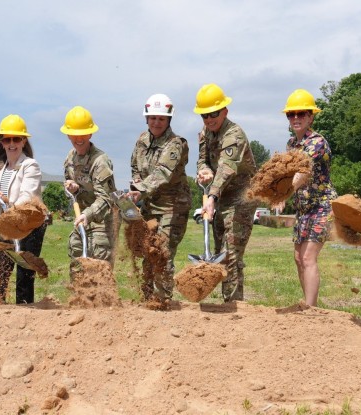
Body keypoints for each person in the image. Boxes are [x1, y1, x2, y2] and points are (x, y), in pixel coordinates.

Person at [194, 83, 257, 302]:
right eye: (204, 115)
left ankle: (232, 305)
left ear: (225, 111)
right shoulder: (205, 133)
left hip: (241, 198)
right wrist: (203, 170)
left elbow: (226, 168)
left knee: (230, 254)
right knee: (221, 254)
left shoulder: (234, 135)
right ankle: (229, 303)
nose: (209, 119)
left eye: (214, 113)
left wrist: (211, 196)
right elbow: (203, 159)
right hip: (220, 197)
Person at [127, 94, 191, 301]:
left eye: (161, 118)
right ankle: (147, 300)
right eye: (153, 117)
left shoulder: (176, 144)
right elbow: (135, 167)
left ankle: (161, 301)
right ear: (147, 118)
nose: (156, 122)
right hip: (149, 206)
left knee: (162, 252)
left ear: (168, 120)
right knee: (147, 251)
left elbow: (163, 172)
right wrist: (137, 184)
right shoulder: (141, 141)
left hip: (173, 207)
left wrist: (141, 189)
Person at [277, 89, 337, 307]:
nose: (295, 118)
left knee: (308, 257)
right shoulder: (291, 144)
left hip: (322, 206)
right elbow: (286, 172)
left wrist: (285, 192)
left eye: (301, 114)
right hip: (303, 209)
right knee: (297, 258)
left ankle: (311, 310)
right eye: (291, 114)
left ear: (311, 116)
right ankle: (307, 304)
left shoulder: (317, 142)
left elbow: (303, 171)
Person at [0, 114, 46, 305]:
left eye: (16, 139)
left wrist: (9, 202)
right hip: (7, 224)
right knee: (2, 268)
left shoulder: (30, 165)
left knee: (24, 272)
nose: (12, 143)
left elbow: (27, 195)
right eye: (7, 139)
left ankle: (24, 310)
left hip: (29, 225)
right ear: (1, 142)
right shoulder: (2, 168)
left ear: (23, 141)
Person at [61, 106, 117, 277]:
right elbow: (71, 191)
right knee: (77, 249)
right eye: (74, 134)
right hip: (82, 218)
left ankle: (104, 300)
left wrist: (88, 215)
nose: (79, 138)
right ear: (68, 135)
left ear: (90, 134)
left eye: (83, 133)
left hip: (102, 220)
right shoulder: (70, 158)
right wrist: (72, 188)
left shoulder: (100, 161)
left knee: (99, 259)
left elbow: (105, 199)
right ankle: (79, 298)